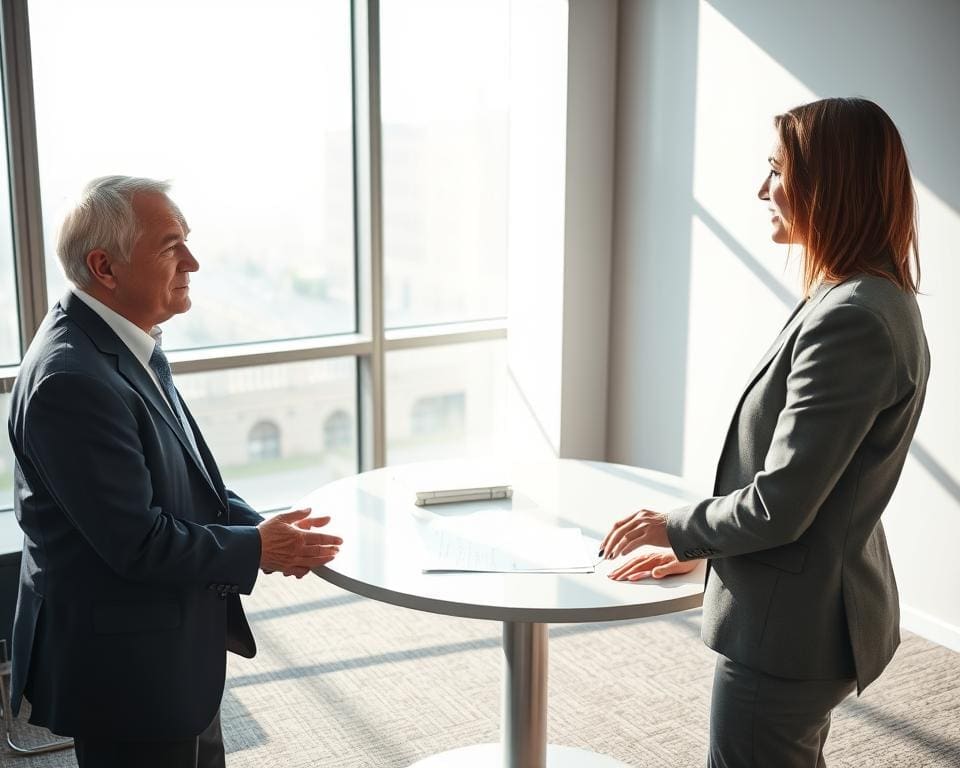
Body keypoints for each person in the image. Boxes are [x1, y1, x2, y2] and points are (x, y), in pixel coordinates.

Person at [600, 98, 929, 767]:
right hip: (805, 606)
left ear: (828, 184)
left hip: (791, 629)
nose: (761, 189)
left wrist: (680, 525)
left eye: (776, 169)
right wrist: (712, 549)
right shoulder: (862, 298)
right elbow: (824, 480)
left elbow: (781, 502)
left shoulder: (853, 319)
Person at [7, 176, 344, 768]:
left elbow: (181, 480)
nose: (193, 260)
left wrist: (260, 527)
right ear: (104, 267)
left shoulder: (121, 344)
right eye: (170, 246)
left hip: (167, 645)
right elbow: (135, 541)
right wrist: (257, 548)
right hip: (125, 666)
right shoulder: (73, 380)